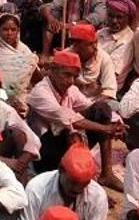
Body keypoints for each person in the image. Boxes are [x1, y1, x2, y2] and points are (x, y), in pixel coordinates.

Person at [27, 50, 124, 190]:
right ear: (52, 71)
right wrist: (107, 129)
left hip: (62, 145)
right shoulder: (40, 91)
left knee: (101, 108)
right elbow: (70, 119)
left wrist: (117, 123)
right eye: (66, 75)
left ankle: (106, 173)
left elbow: (90, 107)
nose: (70, 81)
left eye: (74, 76)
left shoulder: (70, 89)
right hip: (42, 153)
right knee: (70, 131)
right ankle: (79, 179)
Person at [20, 144, 109, 220]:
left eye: (84, 184)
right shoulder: (36, 189)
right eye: (73, 182)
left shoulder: (98, 197)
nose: (77, 189)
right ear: (61, 169)